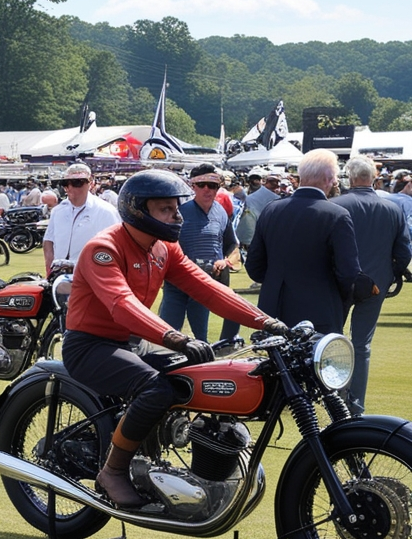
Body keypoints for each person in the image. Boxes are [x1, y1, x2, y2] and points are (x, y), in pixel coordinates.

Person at [62, 170, 287, 509]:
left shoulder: (163, 249)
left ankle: (185, 448)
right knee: (156, 387)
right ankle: (113, 470)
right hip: (90, 344)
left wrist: (268, 322)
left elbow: (208, 288)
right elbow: (121, 304)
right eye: (165, 209)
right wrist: (175, 338)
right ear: (138, 210)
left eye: (175, 208)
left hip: (133, 341)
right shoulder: (103, 249)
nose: (177, 215)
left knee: (203, 370)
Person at [246, 149, 374, 334]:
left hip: (272, 310)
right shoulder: (337, 216)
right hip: (318, 313)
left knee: (273, 363)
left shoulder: (271, 210)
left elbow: (254, 267)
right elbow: (348, 273)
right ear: (329, 178)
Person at [330, 157, 412, 414]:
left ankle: (332, 398)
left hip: (338, 283)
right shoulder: (392, 209)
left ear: (351, 178)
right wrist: (392, 274)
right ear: (374, 179)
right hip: (376, 283)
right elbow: (404, 251)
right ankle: (355, 406)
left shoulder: (334, 205)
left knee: (331, 340)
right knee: (362, 345)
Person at [158, 164, 237, 341]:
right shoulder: (178, 213)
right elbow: (162, 245)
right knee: (167, 334)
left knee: (202, 336)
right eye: (202, 185)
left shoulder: (221, 212)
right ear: (193, 186)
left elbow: (232, 243)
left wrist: (225, 261)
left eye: (213, 185)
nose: (207, 190)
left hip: (205, 283)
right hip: (177, 283)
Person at [42, 163, 116, 271]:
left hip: (91, 275)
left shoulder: (106, 211)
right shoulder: (58, 211)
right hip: (59, 274)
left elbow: (115, 248)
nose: (70, 187)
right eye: (66, 183)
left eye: (77, 183)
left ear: (90, 183)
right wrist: (49, 269)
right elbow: (48, 240)